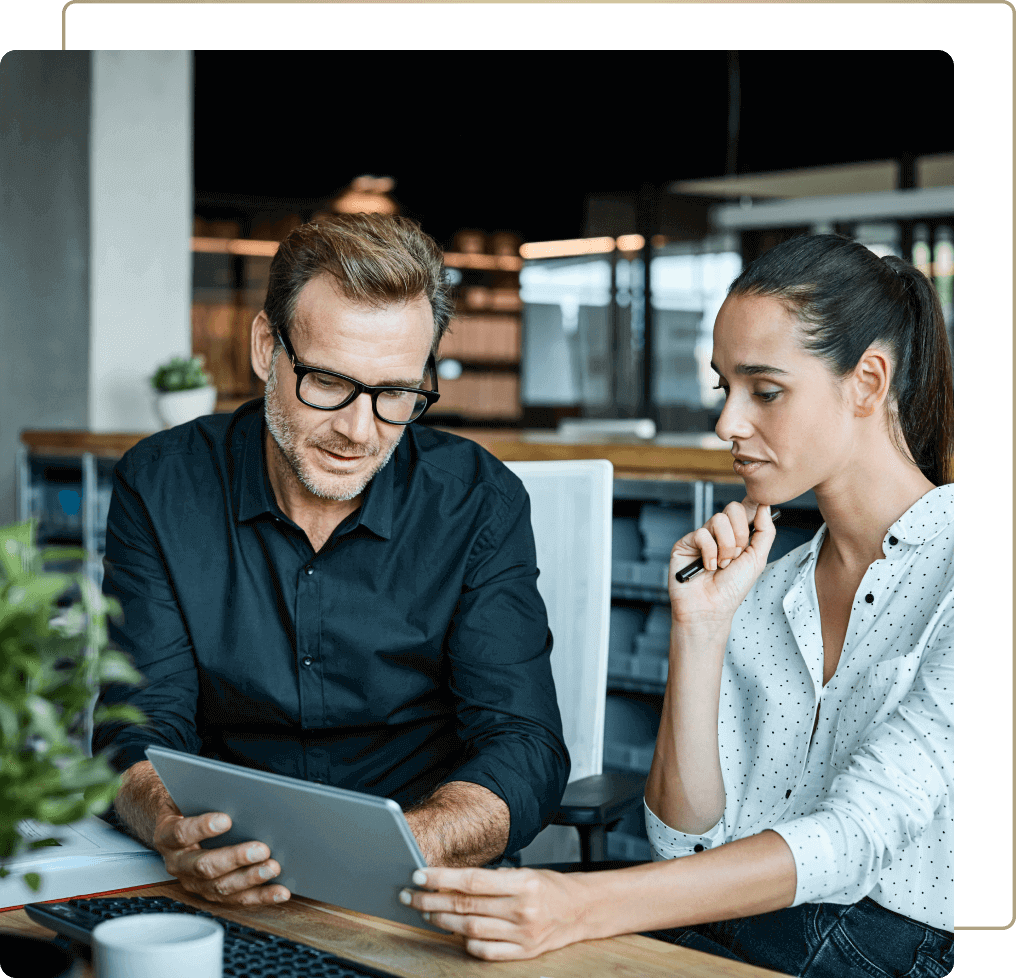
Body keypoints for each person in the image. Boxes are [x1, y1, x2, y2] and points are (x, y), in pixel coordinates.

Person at [399, 233, 954, 977]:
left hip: (888, 949)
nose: (726, 425)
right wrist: (700, 630)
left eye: (766, 390)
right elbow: (683, 842)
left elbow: (855, 839)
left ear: (868, 381)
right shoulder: (770, 585)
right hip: (746, 927)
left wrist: (583, 906)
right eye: (726, 389)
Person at [92, 213, 570, 907]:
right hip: (220, 877)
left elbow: (523, 744)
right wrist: (172, 826)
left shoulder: (478, 502)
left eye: (395, 394)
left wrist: (406, 845)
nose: (358, 430)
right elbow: (137, 725)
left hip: (417, 883)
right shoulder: (162, 485)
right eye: (326, 381)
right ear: (266, 347)